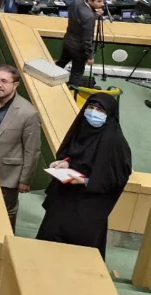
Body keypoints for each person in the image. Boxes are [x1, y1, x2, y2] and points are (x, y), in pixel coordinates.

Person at [36, 93, 131, 256]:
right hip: (63, 199)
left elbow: (118, 177)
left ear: (109, 114)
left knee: (78, 253)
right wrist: (64, 162)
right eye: (91, 107)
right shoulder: (80, 128)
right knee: (49, 239)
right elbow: (69, 151)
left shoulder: (115, 142)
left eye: (100, 110)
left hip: (87, 207)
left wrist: (86, 181)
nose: (93, 113)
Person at [0, 65, 41, 228]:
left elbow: (32, 150)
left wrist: (24, 180)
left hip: (6, 176)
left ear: (15, 85)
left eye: (4, 81)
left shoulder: (28, 112)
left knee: (5, 215)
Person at [56, 0, 104, 88]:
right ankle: (72, 91)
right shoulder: (89, 17)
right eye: (99, 1)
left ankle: (50, 79)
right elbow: (87, 40)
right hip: (78, 49)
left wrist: (94, 14)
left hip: (68, 42)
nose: (102, 4)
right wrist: (90, 57)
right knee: (77, 72)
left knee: (61, 63)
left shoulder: (76, 2)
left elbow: (79, 19)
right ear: (90, 1)